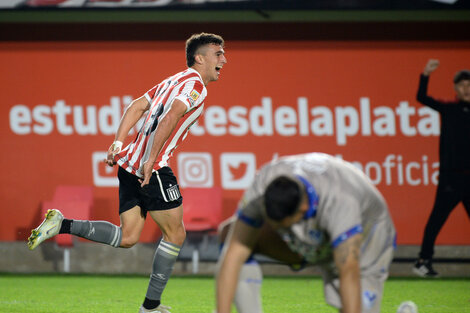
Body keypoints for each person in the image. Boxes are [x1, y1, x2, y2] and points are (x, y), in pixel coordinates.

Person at [27, 32, 227, 313]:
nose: (224, 60)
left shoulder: (172, 80)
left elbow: (137, 105)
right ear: (200, 58)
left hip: (128, 164)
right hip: (153, 169)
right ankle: (150, 306)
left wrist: (118, 142)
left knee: (129, 237)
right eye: (218, 54)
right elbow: (170, 117)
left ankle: (62, 224)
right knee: (176, 235)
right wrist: (152, 159)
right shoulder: (196, 86)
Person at [216, 153, 397, 313]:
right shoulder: (263, 183)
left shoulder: (341, 203)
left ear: (302, 209)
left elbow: (348, 271)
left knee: (353, 307)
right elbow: (234, 253)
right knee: (230, 234)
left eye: (283, 226)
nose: (280, 231)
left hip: (368, 239)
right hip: (314, 234)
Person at [413, 59, 470, 278]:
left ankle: (423, 260)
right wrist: (425, 74)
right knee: (437, 220)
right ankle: (422, 261)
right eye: (462, 85)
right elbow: (421, 98)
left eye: (469, 84)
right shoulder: (449, 109)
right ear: (456, 89)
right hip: (451, 178)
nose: (466, 89)